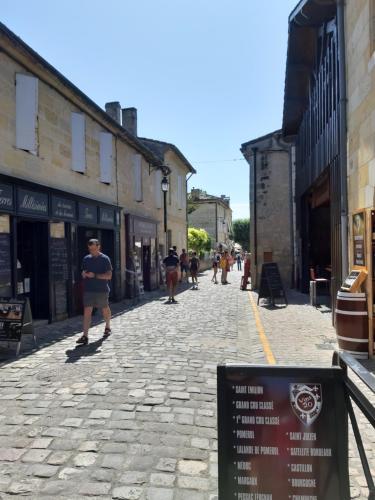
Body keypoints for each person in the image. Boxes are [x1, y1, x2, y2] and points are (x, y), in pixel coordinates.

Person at [76, 239, 113, 345]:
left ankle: (107, 326)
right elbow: (83, 271)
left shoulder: (105, 259)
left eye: (93, 249)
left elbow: (109, 276)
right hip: (89, 289)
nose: (91, 251)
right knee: (87, 311)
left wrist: (95, 275)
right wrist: (84, 274)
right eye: (90, 249)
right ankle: (85, 336)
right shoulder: (86, 259)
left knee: (105, 308)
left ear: (98, 247)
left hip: (102, 290)